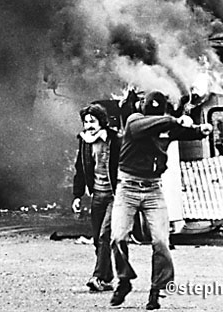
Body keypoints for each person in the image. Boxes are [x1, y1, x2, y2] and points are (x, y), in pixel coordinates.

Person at [110, 90, 212, 310]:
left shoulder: (166, 126)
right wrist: (174, 120)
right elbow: (163, 124)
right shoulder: (134, 122)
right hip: (127, 187)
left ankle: (157, 289)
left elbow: (186, 132)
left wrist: (200, 130)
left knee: (161, 241)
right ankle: (124, 280)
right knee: (118, 236)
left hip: (154, 188)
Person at [72, 103, 121, 292]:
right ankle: (107, 278)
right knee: (96, 239)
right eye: (86, 122)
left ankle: (98, 277)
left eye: (92, 121)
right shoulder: (85, 141)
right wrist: (77, 195)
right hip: (97, 195)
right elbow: (80, 169)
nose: (89, 125)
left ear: (102, 121)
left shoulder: (115, 139)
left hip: (115, 196)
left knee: (104, 236)